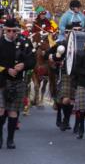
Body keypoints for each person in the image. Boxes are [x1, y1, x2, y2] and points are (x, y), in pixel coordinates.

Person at [0, 18, 35, 149]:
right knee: (1, 110)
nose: (12, 34)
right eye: (9, 31)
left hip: (17, 81)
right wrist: (6, 69)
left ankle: (10, 139)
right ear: (4, 30)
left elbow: (33, 60)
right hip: (1, 81)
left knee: (13, 112)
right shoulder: (0, 43)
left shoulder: (24, 43)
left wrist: (24, 65)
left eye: (14, 31)